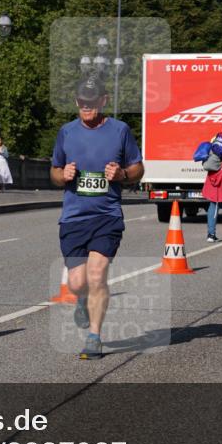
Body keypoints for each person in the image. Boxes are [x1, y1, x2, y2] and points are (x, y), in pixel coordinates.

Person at [50, 76, 144, 360]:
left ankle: (94, 336)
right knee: (78, 282)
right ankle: (81, 299)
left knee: (97, 274)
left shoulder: (120, 131)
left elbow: (138, 169)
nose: (86, 106)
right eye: (81, 101)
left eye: (91, 101)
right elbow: (53, 172)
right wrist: (62, 175)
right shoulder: (67, 132)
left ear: (103, 101)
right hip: (74, 218)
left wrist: (123, 175)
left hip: (107, 216)